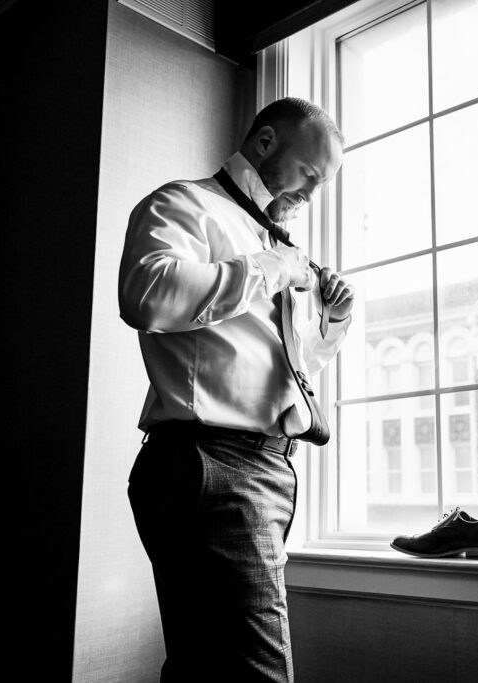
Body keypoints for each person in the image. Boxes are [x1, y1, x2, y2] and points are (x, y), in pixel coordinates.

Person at [118, 97, 353, 682]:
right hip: (216, 465)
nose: (311, 194)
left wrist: (330, 322)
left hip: (258, 468)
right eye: (310, 174)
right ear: (268, 143)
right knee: (259, 674)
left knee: (201, 669)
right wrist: (273, 269)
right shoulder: (184, 205)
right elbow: (146, 296)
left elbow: (277, 370)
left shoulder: (274, 242)